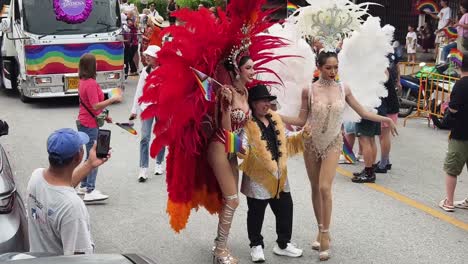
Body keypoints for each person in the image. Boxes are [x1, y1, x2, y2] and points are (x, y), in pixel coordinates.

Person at [281, 52, 397, 261]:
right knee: (315, 188)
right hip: (310, 143)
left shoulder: (344, 89)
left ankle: (325, 236)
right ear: (319, 67)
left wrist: (385, 120)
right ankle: (320, 229)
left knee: (325, 187)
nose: (333, 72)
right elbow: (300, 120)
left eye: (336, 67)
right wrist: (273, 115)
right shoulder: (308, 90)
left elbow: (363, 112)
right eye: (328, 68)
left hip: (334, 143)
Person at [239, 84, 303, 262]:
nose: (266, 104)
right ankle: (256, 245)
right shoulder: (247, 124)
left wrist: (304, 134)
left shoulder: (275, 119)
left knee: (286, 208)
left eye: (268, 100)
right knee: (256, 212)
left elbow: (288, 138)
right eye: (262, 101)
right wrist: (240, 148)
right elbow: (241, 145)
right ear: (253, 103)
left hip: (279, 175)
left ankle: (283, 244)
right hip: (257, 177)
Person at [27, 128, 111, 255]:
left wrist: (89, 164)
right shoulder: (72, 208)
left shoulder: (36, 177)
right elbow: (80, 259)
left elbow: (61, 186)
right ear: (79, 156)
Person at [76, 54, 121, 202]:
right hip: (89, 124)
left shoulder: (82, 81)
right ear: (91, 66)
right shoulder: (90, 83)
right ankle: (90, 189)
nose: (97, 66)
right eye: (95, 64)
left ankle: (83, 185)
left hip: (84, 122)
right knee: (95, 156)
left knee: (89, 155)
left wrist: (103, 115)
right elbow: (95, 105)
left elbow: (90, 106)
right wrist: (112, 99)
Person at [130, 45, 166, 181]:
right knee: (145, 137)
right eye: (146, 55)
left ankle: (158, 163)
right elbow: (139, 91)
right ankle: (143, 168)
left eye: (149, 55)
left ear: (157, 57)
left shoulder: (165, 71)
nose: (147, 57)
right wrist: (134, 110)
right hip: (147, 108)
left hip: (162, 108)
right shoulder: (145, 71)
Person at [439, 54, 468, 212]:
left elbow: (454, 108)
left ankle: (449, 201)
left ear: (461, 66)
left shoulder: (461, 85)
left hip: (460, 133)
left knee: (452, 169)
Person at [375, 54, 401, 174]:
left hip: (388, 107)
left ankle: (384, 164)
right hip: (388, 106)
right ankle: (386, 161)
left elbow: (382, 84)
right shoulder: (383, 67)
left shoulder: (383, 70)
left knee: (384, 136)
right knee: (382, 136)